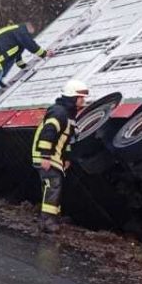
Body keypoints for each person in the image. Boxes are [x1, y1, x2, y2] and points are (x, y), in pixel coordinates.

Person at [32, 79, 89, 233]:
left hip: (55, 157)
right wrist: (45, 156)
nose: (84, 101)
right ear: (72, 97)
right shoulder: (59, 113)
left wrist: (67, 157)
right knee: (53, 186)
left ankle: (53, 217)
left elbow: (66, 140)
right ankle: (47, 222)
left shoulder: (67, 115)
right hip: (46, 156)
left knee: (54, 186)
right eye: (81, 97)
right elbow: (48, 134)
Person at [0, 21, 49, 104]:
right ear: (30, 27)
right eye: (32, 31)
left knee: (10, 61)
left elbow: (17, 53)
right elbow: (31, 45)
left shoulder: (19, 33)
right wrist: (44, 54)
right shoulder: (22, 32)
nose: (31, 35)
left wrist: (23, 66)